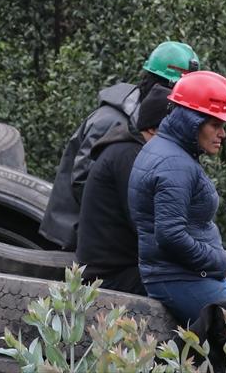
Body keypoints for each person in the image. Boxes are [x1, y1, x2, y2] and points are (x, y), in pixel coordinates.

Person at [128, 70, 226, 351]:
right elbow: (169, 235)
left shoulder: (170, 151)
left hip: (193, 273)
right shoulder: (174, 165)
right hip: (179, 278)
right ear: (191, 121)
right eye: (216, 124)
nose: (222, 133)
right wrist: (216, 261)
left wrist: (214, 266)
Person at [39, 40, 200, 250]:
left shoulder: (149, 118)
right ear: (161, 87)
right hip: (74, 235)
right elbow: (83, 180)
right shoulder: (109, 121)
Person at [74, 85, 173, 294]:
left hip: (127, 269)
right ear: (154, 128)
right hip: (108, 279)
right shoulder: (129, 157)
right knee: (196, 289)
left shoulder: (135, 151)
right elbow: (150, 228)